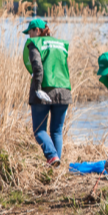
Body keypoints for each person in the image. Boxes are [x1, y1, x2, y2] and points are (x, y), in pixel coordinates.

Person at [23, 18, 72, 167]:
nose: (29, 36)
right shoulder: (61, 44)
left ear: (37, 31)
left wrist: (37, 88)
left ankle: (52, 156)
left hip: (45, 90)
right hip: (64, 90)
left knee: (39, 130)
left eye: (30, 32)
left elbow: (37, 67)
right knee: (57, 131)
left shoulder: (35, 43)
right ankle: (56, 165)